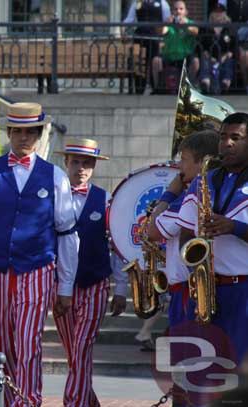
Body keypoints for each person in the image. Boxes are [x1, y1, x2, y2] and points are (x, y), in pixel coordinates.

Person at [0, 102, 78, 406]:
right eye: (18, 131)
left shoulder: (55, 177)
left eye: (30, 132)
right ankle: (7, 401)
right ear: (9, 132)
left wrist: (65, 286)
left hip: (37, 271)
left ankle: (28, 402)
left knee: (28, 344)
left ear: (39, 135)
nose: (24, 137)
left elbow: (67, 234)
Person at [147, 129, 220, 407]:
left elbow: (152, 229)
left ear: (202, 163)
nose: (179, 168)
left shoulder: (189, 193)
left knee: (189, 371)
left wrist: (169, 192)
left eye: (184, 160)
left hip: (189, 295)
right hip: (188, 292)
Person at [54, 138, 128, 407]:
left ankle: (73, 403)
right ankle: (90, 401)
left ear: (94, 166)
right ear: (66, 163)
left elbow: (117, 247)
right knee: (75, 352)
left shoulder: (106, 200)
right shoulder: (52, 198)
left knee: (82, 346)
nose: (81, 168)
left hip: (95, 283)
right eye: (76, 162)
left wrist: (120, 289)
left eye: (87, 163)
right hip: (60, 286)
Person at [178, 112, 248, 364]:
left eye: (235, 138)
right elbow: (186, 233)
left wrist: (235, 228)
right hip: (209, 289)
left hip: (244, 290)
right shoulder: (204, 180)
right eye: (223, 137)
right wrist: (197, 268)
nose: (227, 143)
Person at [123, 0, 172, 93]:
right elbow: (129, 19)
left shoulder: (162, 3)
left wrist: (164, 36)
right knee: (139, 64)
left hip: (155, 39)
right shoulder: (137, 2)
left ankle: (156, 89)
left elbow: (167, 21)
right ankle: (139, 90)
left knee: (155, 62)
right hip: (140, 38)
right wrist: (123, 28)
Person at [157, 0, 199, 89]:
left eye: (181, 9)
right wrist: (166, 23)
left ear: (186, 11)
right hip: (169, 56)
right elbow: (161, 31)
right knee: (156, 61)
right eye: (176, 9)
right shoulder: (169, 23)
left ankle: (190, 88)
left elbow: (195, 31)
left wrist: (185, 25)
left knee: (195, 62)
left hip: (185, 57)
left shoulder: (189, 23)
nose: (178, 11)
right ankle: (158, 88)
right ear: (172, 11)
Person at [198, 4, 235, 94]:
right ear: (211, 14)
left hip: (224, 57)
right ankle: (205, 82)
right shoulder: (205, 28)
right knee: (205, 61)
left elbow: (233, 47)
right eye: (216, 12)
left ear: (225, 13)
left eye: (220, 12)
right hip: (210, 57)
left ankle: (225, 83)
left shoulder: (230, 28)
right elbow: (200, 45)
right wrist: (208, 55)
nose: (218, 14)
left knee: (229, 62)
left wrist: (225, 56)